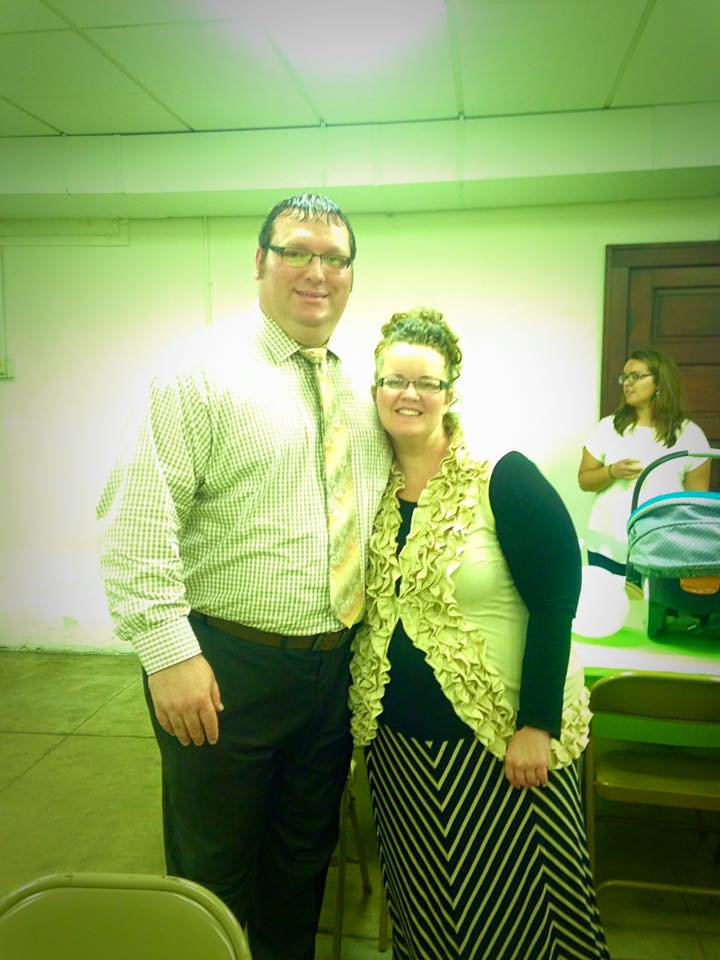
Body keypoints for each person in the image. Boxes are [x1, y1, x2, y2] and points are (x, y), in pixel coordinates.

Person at [97, 193, 391, 960]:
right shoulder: (199, 374)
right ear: (259, 261)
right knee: (213, 871)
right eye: (296, 251)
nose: (316, 271)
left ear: (351, 275)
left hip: (333, 668)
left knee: (301, 860)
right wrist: (168, 654)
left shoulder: (364, 390)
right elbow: (137, 522)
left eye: (334, 257)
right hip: (224, 666)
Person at [348, 308, 609, 960]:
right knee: (429, 916)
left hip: (500, 750)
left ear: (450, 392)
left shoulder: (502, 476)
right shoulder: (365, 486)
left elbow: (557, 601)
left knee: (528, 921)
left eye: (426, 382)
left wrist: (537, 725)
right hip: (400, 751)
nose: (409, 394)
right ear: (375, 389)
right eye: (394, 380)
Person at [578, 348, 710, 578]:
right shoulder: (608, 428)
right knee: (609, 608)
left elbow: (695, 507)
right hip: (607, 545)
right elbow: (584, 480)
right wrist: (611, 472)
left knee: (652, 612)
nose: (627, 383)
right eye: (624, 377)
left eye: (636, 376)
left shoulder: (691, 435)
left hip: (664, 551)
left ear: (660, 381)